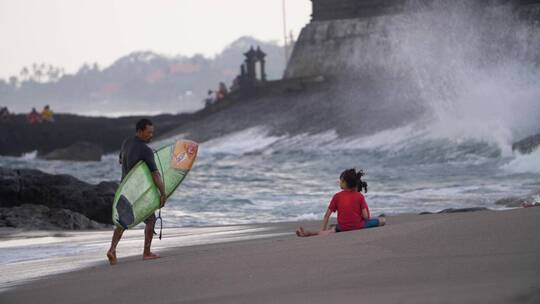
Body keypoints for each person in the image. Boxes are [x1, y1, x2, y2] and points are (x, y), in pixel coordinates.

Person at [106, 118, 167, 265]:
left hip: (124, 189)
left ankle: (112, 249)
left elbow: (121, 160)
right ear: (140, 131)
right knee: (150, 219)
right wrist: (163, 193)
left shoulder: (126, 142)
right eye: (149, 132)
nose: (151, 135)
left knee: (122, 221)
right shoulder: (146, 151)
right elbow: (155, 174)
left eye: (152, 132)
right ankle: (146, 253)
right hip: (137, 191)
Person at [296, 168, 385, 237]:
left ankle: (309, 233)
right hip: (358, 226)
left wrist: (322, 230)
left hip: (343, 228)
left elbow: (327, 215)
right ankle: (379, 218)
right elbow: (366, 217)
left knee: (331, 229)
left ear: (344, 183)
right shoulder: (359, 196)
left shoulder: (337, 196)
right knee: (382, 220)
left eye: (341, 181)